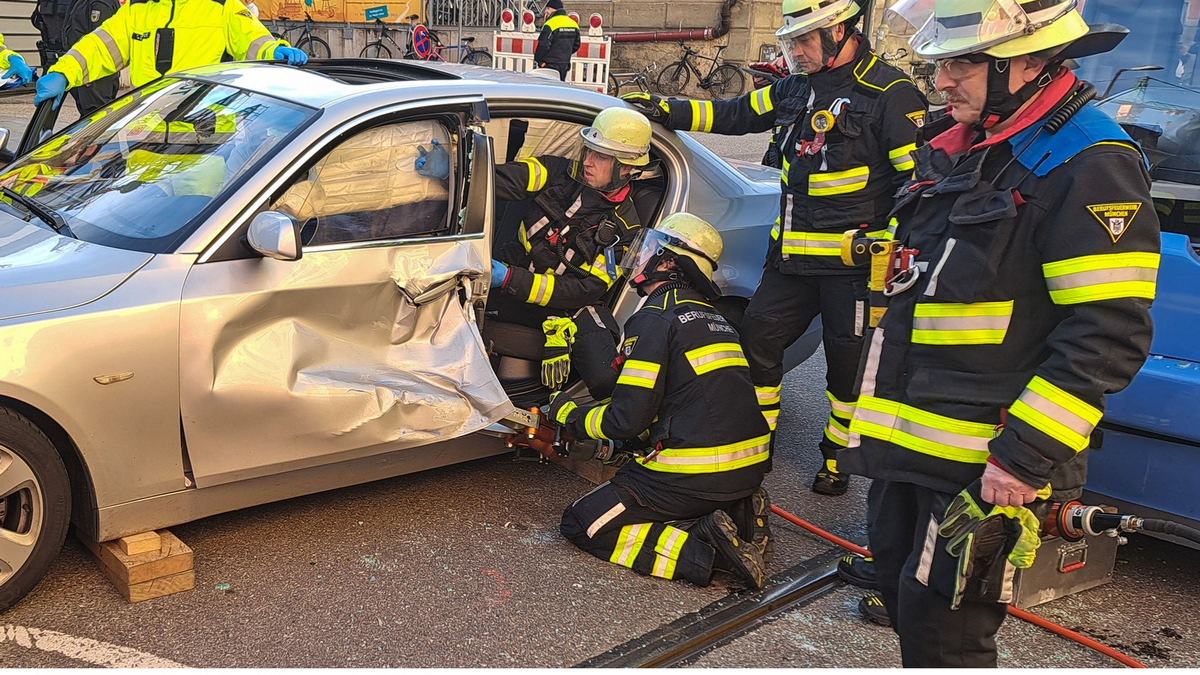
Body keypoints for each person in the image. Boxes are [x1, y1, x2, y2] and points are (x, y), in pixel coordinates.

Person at [838, 0, 1159, 666]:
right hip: (914, 446)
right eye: (942, 62)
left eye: (962, 63)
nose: (942, 81)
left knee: (945, 635)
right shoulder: (975, 147)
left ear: (1031, 62)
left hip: (987, 462)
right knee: (906, 599)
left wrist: (1024, 454)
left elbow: (1106, 334)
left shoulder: (1088, 161)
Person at [624, 0, 926, 496]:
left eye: (805, 42)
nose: (795, 53)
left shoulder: (890, 94)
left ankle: (837, 457)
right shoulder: (794, 89)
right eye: (792, 42)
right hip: (789, 263)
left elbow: (916, 184)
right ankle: (756, 438)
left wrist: (887, 245)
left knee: (848, 367)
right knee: (758, 341)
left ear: (840, 32)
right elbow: (735, 113)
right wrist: (665, 108)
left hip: (851, 270)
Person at [549, 212, 773, 590]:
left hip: (690, 475)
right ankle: (736, 510)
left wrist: (569, 414)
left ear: (669, 262)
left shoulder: (655, 318)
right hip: (748, 469)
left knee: (583, 522)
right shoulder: (713, 316)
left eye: (650, 249)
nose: (639, 256)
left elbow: (626, 420)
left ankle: (710, 552)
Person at [483, 107, 661, 399]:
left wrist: (510, 278)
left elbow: (586, 289)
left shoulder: (625, 227)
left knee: (605, 377)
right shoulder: (555, 172)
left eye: (601, 156)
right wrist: (459, 171)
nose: (588, 162)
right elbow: (506, 178)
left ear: (626, 168)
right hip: (505, 290)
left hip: (554, 305)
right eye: (588, 150)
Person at [34, 0, 308, 106]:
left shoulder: (221, 7)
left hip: (205, 147)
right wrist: (63, 72)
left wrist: (276, 51)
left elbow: (253, 39)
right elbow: (97, 48)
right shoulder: (137, 11)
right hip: (143, 144)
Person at [533, 0, 579, 82]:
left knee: (547, 87)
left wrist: (538, 59)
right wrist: (565, 53)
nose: (546, 11)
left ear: (554, 9)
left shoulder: (550, 24)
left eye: (548, 8)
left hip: (549, 63)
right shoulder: (573, 24)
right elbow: (576, 44)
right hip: (564, 63)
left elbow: (543, 45)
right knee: (559, 86)